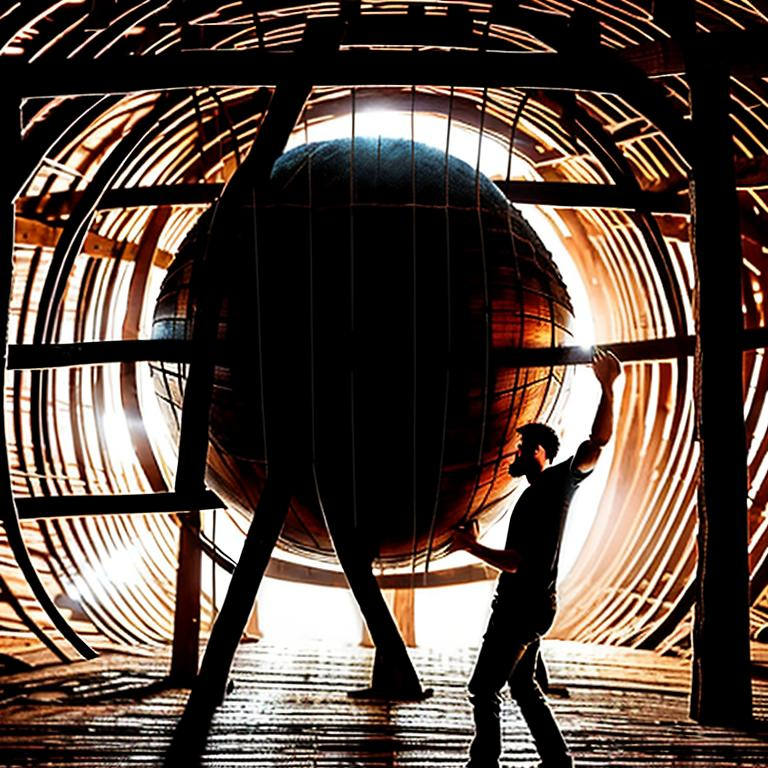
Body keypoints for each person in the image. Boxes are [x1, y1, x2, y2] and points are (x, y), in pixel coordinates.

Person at [452, 348, 622, 768]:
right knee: (524, 688)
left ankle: (484, 763)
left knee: (483, 688)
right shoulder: (536, 494)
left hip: (520, 608)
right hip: (530, 606)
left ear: (544, 453)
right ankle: (557, 759)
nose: (517, 453)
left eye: (525, 447)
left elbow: (596, 444)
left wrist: (608, 388)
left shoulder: (555, 486)